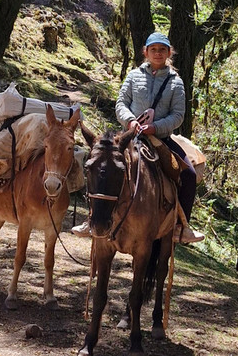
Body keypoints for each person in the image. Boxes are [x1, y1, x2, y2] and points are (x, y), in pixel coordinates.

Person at [72, 31, 203, 244]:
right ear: (146, 52)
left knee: (187, 174)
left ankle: (182, 227)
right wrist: (131, 122)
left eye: (162, 50)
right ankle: (90, 220)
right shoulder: (134, 76)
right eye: (154, 49)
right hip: (128, 137)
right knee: (100, 168)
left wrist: (155, 127)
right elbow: (121, 103)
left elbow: (178, 115)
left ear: (169, 53)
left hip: (160, 138)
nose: (158, 53)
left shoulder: (176, 82)